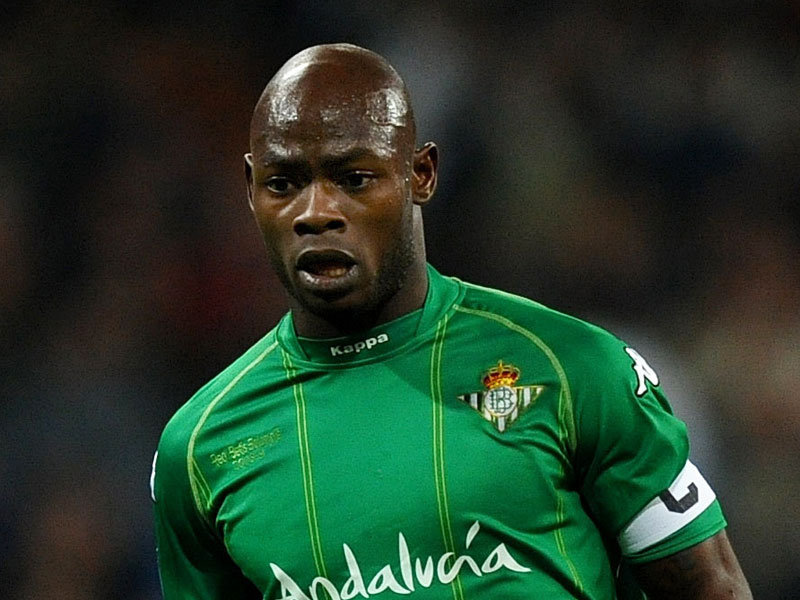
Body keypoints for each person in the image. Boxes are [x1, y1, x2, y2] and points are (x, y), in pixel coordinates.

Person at [151, 43, 751, 599]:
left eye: (353, 179)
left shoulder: (575, 370)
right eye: (283, 183)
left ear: (421, 175)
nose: (315, 212)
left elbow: (711, 589)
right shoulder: (200, 450)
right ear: (251, 188)